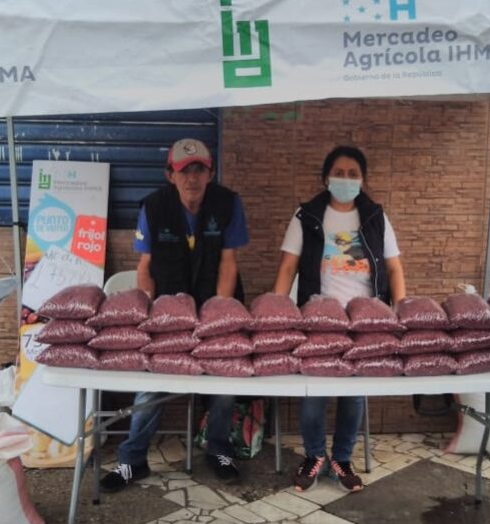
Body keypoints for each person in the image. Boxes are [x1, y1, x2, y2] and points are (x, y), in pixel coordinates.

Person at [102, 138, 249, 491]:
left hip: (217, 306)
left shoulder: (228, 203)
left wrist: (219, 314)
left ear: (210, 173)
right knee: (151, 386)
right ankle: (132, 460)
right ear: (170, 175)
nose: (192, 178)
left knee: (225, 383)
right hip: (169, 313)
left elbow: (229, 262)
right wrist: (149, 316)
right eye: (184, 171)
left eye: (199, 170)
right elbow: (145, 267)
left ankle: (219, 449)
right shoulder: (153, 207)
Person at [272, 145, 406, 492]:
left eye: (353, 174)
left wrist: (401, 310)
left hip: (366, 321)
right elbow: (288, 266)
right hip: (318, 318)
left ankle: (342, 458)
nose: (346, 180)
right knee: (313, 391)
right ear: (325, 178)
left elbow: (393, 267)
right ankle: (314, 455)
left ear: (362, 180)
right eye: (339, 173)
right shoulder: (307, 215)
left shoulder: (375, 216)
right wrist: (277, 311)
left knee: (354, 393)